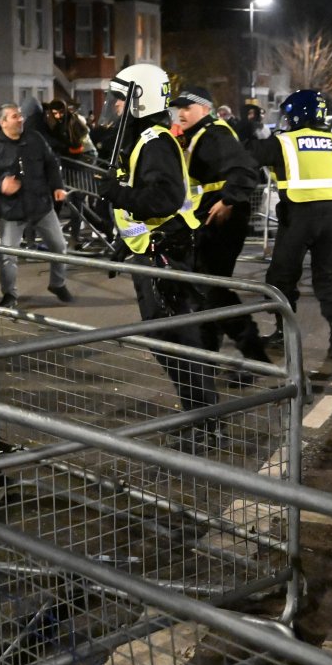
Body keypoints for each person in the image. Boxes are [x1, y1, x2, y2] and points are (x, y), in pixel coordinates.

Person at [95, 64, 218, 419]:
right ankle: (196, 415)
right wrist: (128, 241)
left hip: (168, 254)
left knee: (178, 342)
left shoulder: (154, 142)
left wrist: (116, 194)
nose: (114, 106)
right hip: (153, 250)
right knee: (167, 342)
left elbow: (163, 199)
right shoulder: (142, 140)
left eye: (119, 99)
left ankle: (205, 424)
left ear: (139, 100)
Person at [250, 89, 332, 360]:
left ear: (296, 115)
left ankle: (283, 334)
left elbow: (248, 156)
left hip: (298, 218)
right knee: (330, 277)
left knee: (281, 277)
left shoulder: (284, 142)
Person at [174, 86, 271, 362]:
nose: (181, 113)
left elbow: (245, 169)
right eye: (178, 108)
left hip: (222, 223)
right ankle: (210, 355)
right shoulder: (198, 135)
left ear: (205, 109)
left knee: (212, 290)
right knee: (207, 291)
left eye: (187, 108)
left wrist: (228, 200)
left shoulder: (215, 133)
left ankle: (255, 357)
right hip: (208, 221)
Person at [0, 102, 74, 308]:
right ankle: (10, 295)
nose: (20, 119)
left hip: (41, 206)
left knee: (59, 246)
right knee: (8, 256)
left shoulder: (35, 138)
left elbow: (51, 162)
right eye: (14, 116)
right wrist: (0, 185)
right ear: (2, 123)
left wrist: (57, 186)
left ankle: (57, 283)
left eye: (20, 115)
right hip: (13, 211)